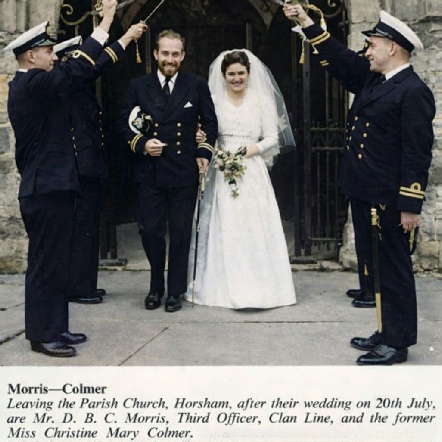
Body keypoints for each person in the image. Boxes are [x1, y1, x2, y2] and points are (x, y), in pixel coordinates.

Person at [283, 5, 435, 365]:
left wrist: (410, 205)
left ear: (392, 48)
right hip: (367, 192)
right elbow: (341, 59)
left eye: (372, 45)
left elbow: (416, 153)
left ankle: (397, 343)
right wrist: (305, 22)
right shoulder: (375, 80)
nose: (366, 52)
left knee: (394, 270)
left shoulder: (413, 90)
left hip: (390, 199)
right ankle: (385, 331)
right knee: (378, 268)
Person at [4, 0, 118, 357]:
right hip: (45, 188)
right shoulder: (31, 83)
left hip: (52, 186)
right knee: (44, 265)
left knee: (57, 263)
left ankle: (56, 328)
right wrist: (106, 22)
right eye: (48, 51)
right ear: (30, 56)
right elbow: (75, 69)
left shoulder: (37, 83)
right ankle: (42, 335)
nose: (53, 57)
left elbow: (77, 74)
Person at [183, 49, 297, 309]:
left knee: (252, 225)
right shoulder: (213, 99)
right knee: (224, 225)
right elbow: (206, 129)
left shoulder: (262, 101)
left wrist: (249, 151)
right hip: (220, 166)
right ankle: (220, 287)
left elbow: (272, 138)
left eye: (241, 74)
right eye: (231, 74)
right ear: (223, 76)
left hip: (251, 168)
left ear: (248, 74)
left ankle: (260, 287)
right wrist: (203, 139)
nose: (236, 79)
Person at [117, 29, 218, 312]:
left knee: (181, 232)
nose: (170, 59)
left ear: (182, 56)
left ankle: (175, 290)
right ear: (155, 54)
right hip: (150, 172)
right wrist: (142, 144)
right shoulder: (139, 85)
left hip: (183, 172)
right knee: (150, 231)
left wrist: (203, 152)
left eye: (175, 54)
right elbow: (123, 125)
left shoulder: (196, 84)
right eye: (165, 53)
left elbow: (210, 124)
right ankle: (155, 286)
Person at [54, 21, 147, 305]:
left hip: (89, 165)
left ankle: (85, 284)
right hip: (79, 167)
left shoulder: (77, 81)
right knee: (81, 227)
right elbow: (100, 63)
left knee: (89, 226)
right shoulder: (71, 80)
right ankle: (77, 288)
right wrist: (127, 38)